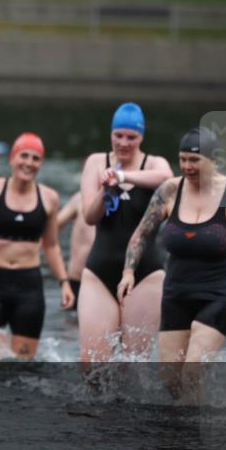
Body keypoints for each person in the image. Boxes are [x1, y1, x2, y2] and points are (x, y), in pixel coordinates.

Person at [118, 128, 226, 369]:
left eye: (195, 160)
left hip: (222, 292)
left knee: (192, 370)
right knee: (171, 379)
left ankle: (201, 406)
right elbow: (142, 234)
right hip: (177, 292)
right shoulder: (169, 190)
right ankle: (206, 406)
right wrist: (128, 272)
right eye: (183, 159)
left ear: (214, 160)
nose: (187, 166)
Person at [79, 102, 173, 362]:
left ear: (141, 137)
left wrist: (123, 177)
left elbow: (167, 178)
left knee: (132, 364)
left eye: (131, 137)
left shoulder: (154, 163)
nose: (123, 142)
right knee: (91, 363)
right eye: (118, 135)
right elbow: (89, 216)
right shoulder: (97, 162)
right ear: (110, 134)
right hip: (99, 271)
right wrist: (105, 190)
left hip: (146, 274)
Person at [0, 133, 75, 358]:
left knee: (23, 365)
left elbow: (51, 246)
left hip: (28, 288)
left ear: (41, 164)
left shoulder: (49, 198)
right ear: (12, 159)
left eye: (35, 158)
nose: (28, 162)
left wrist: (64, 283)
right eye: (23, 155)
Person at [57, 188, 96, 310]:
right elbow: (52, 228)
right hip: (77, 280)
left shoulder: (124, 199)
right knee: (72, 325)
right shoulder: (79, 199)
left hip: (110, 278)